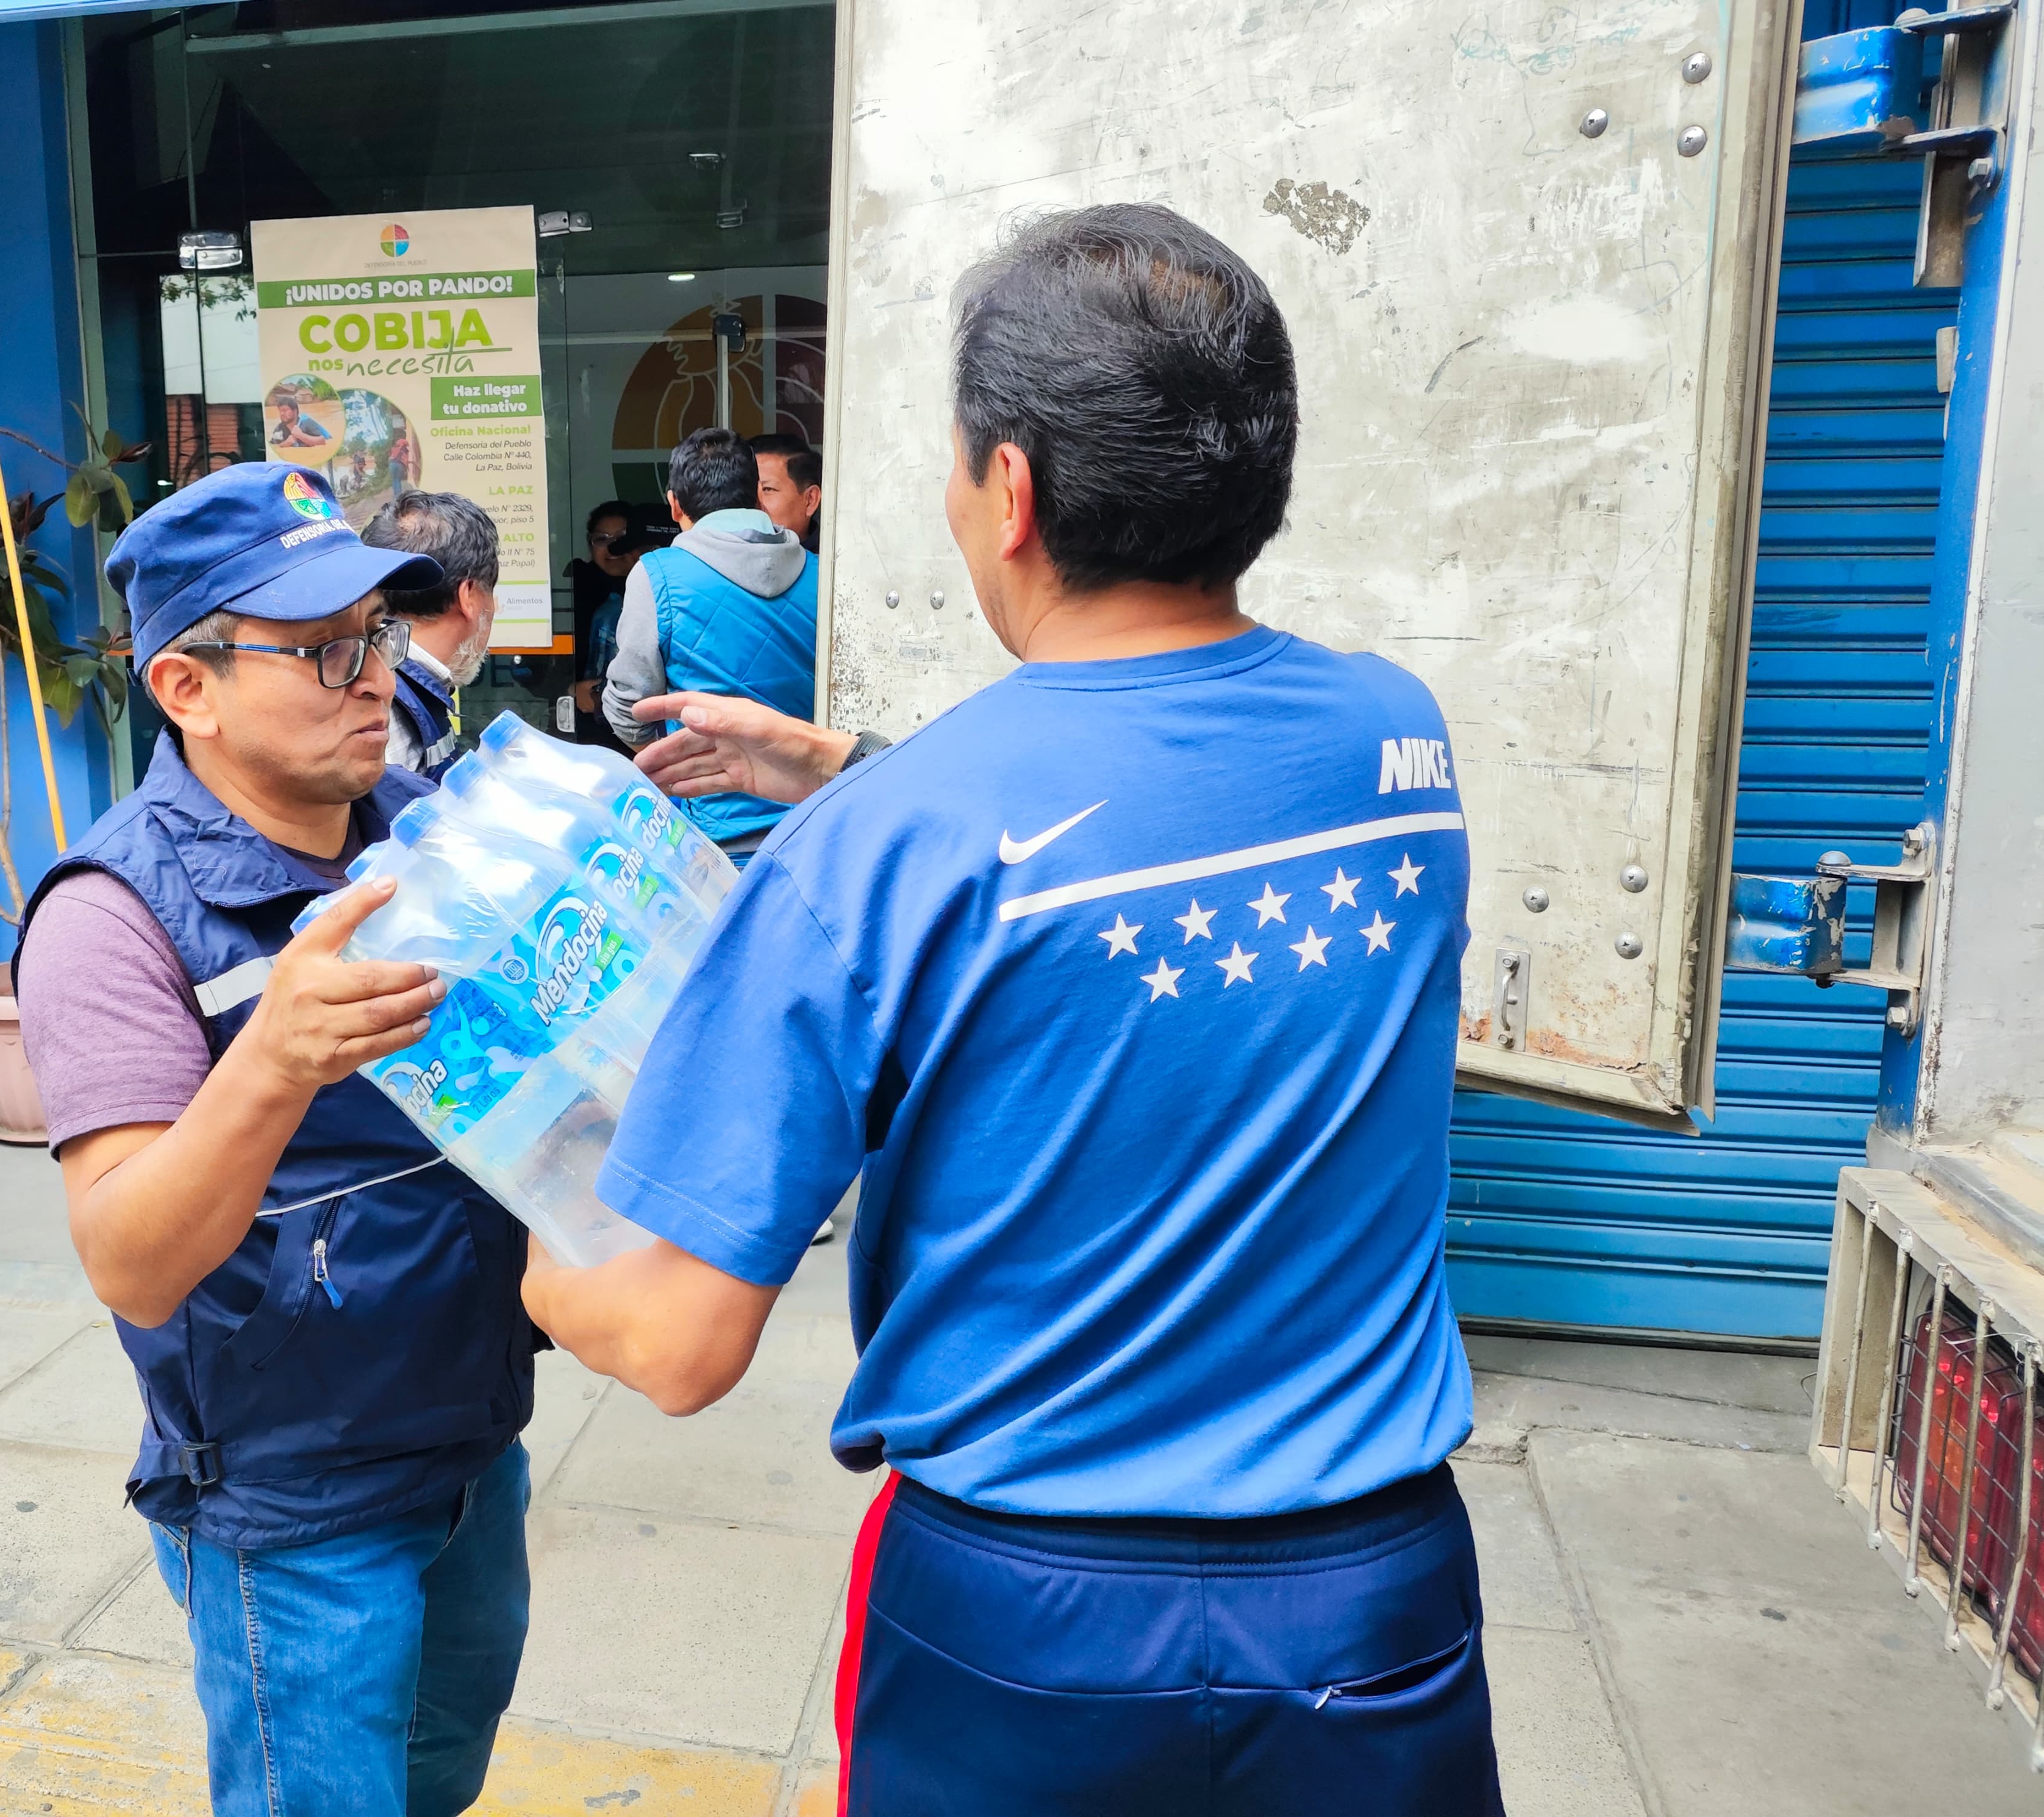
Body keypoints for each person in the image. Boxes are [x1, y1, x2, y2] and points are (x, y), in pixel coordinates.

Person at [523, 204, 1497, 1815]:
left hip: (1029, 1628)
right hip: (1374, 1595)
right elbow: (1145, 809)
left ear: (1015, 491)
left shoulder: (882, 855)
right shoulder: (1398, 744)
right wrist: (836, 765)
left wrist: (519, 1203)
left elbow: (676, 1340)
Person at [13, 460, 538, 1817]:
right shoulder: (110, 916)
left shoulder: (426, 837)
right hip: (294, 1505)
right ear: (185, 688)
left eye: (378, 635)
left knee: (439, 1779)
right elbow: (131, 1259)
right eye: (318, 650)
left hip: (476, 1445)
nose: (374, 677)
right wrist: (275, 1055)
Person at [601, 427, 818, 859]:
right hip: (814, 827)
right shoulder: (823, 573)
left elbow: (629, 709)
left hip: (710, 843)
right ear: (756, 495)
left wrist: (686, 764)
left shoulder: (658, 574)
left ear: (675, 503)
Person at [370, 489, 500, 782]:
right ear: (468, 597)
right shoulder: (383, 714)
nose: (496, 608)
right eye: (491, 592)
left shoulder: (379, 679)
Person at [568, 501, 645, 749]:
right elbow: (539, 671)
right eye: (602, 539)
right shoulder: (575, 590)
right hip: (587, 732)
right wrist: (570, 689)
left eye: (622, 538)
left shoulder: (662, 587)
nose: (613, 547)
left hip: (644, 726)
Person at [747, 432, 821, 551]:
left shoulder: (828, 564)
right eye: (748, 488)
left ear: (810, 500)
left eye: (768, 489)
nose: (754, 503)